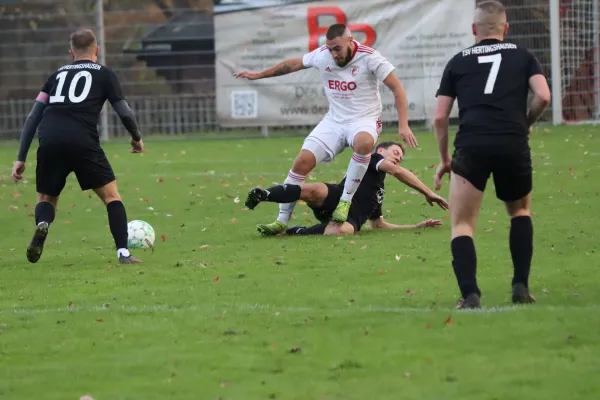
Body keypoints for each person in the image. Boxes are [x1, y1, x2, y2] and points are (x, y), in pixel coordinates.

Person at [234, 23, 418, 236]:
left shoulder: (370, 58)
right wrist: (258, 75)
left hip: (364, 120)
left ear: (350, 41)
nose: (333, 53)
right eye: (330, 48)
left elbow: (397, 89)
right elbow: (292, 65)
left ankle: (345, 203)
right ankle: (281, 222)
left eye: (337, 48)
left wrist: (403, 124)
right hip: (334, 121)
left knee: (364, 143)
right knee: (301, 162)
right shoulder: (323, 55)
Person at [432, 0, 551, 308]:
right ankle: (520, 288)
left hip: (472, 145)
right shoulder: (523, 56)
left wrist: (445, 159)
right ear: (505, 29)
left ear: (474, 29)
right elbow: (543, 96)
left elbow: (440, 118)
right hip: (512, 142)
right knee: (520, 212)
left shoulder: (458, 61)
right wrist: (525, 122)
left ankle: (470, 295)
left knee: (462, 225)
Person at [11, 29, 145, 265]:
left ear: (71, 52)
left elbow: (33, 116)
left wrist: (21, 157)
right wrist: (136, 137)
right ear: (97, 50)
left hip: (50, 139)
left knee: (47, 197)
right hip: (82, 140)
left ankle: (43, 223)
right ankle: (123, 253)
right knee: (111, 196)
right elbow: (124, 111)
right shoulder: (105, 74)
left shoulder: (56, 75)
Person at [245, 141, 448, 235]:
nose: (398, 158)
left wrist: (416, 226)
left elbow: (379, 225)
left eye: (400, 157)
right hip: (338, 197)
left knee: (342, 231)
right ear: (380, 150)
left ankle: (295, 232)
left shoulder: (379, 191)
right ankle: (264, 194)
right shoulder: (372, 159)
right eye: (395, 152)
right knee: (315, 189)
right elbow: (399, 172)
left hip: (351, 218)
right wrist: (428, 192)